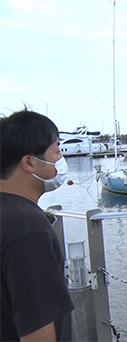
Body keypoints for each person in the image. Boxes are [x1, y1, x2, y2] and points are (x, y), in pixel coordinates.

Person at [1, 109, 74, 341]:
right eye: (57, 150)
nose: (60, 161)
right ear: (30, 162)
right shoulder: (28, 228)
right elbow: (37, 330)